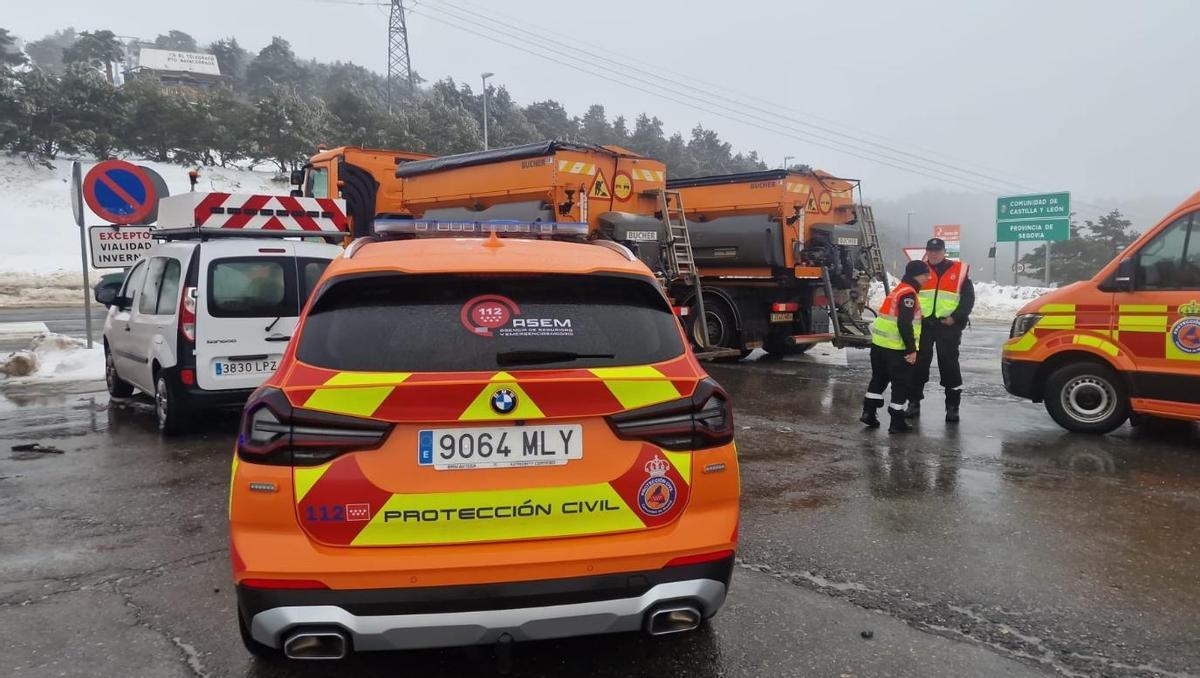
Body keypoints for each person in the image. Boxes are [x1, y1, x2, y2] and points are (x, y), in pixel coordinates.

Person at [907, 238, 974, 423]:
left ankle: (952, 407)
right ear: (926, 252)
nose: (934, 253)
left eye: (937, 250)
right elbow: (909, 295)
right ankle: (913, 403)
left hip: (948, 326)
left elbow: (968, 299)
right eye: (930, 250)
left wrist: (956, 318)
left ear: (945, 252)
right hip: (925, 325)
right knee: (918, 364)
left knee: (949, 365)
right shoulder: (919, 271)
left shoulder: (958, 270)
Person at [861, 260, 930, 433]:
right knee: (901, 384)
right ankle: (896, 422)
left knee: (878, 379)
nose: (928, 278)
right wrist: (911, 349)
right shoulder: (909, 294)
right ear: (918, 275)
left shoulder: (899, 290)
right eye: (926, 274)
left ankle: (868, 412)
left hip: (879, 346)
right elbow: (904, 324)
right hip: (895, 348)